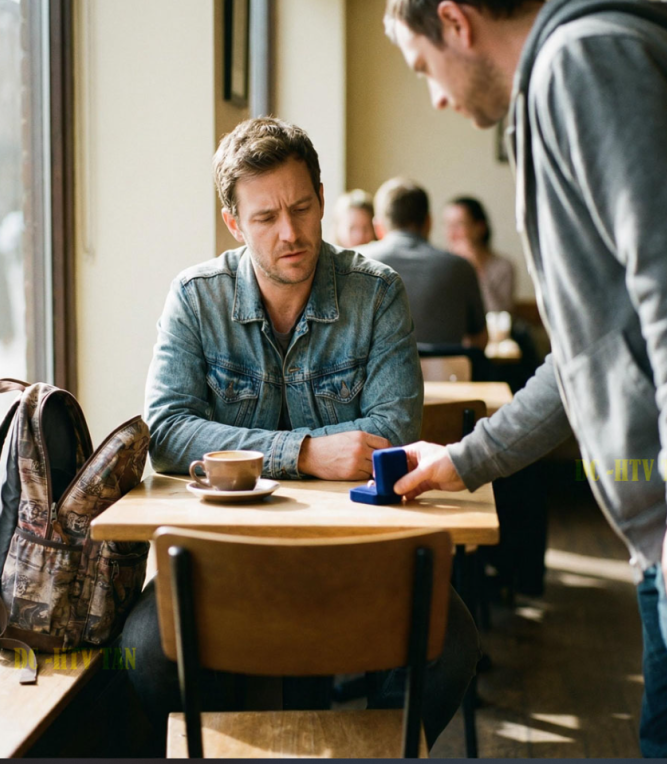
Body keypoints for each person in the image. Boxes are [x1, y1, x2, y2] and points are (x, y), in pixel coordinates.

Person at [384, 0, 667, 758]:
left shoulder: (583, 63)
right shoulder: (573, 72)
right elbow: (584, 357)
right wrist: (461, 461)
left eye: (423, 68)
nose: (436, 96)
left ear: (456, 21)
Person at [122, 117, 480, 751]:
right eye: (265, 218)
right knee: (140, 652)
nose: (290, 233)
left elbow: (392, 428)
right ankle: (240, 741)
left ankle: (383, 747)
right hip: (220, 565)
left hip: (362, 560)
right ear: (234, 223)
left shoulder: (377, 293)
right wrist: (308, 453)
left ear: (321, 197)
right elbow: (169, 428)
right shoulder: (195, 299)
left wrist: (250, 451)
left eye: (303, 208)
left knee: (451, 644)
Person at [361, 177, 487, 349]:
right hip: (447, 375)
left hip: (375, 376)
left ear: (378, 227)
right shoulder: (461, 267)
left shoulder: (353, 262)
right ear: (428, 222)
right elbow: (480, 340)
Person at [443, 196, 515, 314]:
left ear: (479, 228)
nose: (451, 233)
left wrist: (477, 269)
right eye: (448, 225)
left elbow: (498, 315)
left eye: (459, 225)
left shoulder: (503, 267)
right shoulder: (441, 266)